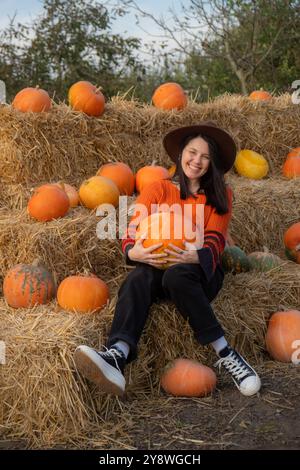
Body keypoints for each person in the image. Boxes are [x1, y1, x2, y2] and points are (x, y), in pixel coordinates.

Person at [74, 121, 261, 397]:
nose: (197, 161)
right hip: (158, 267)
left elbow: (216, 239)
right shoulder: (158, 189)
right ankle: (117, 355)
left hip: (198, 274)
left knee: (178, 274)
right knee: (138, 277)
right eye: (192, 152)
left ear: (212, 163)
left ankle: (227, 353)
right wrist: (131, 251)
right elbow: (134, 229)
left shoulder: (221, 195)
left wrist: (195, 255)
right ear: (181, 153)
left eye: (205, 157)